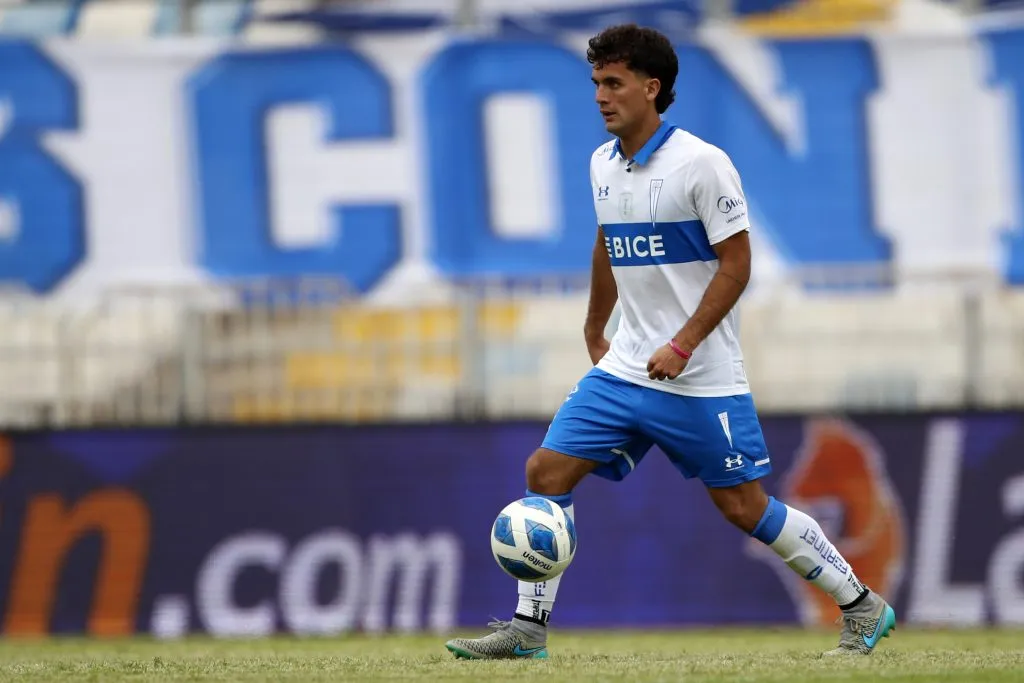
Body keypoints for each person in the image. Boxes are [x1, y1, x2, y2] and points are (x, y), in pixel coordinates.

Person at [445, 23, 896, 660]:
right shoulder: (603, 163)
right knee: (545, 471)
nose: (601, 96)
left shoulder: (702, 165)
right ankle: (527, 631)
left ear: (651, 88)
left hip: (699, 376)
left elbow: (737, 268)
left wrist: (683, 343)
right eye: (596, 83)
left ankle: (861, 606)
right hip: (626, 366)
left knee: (744, 508)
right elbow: (608, 241)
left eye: (614, 83)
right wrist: (594, 324)